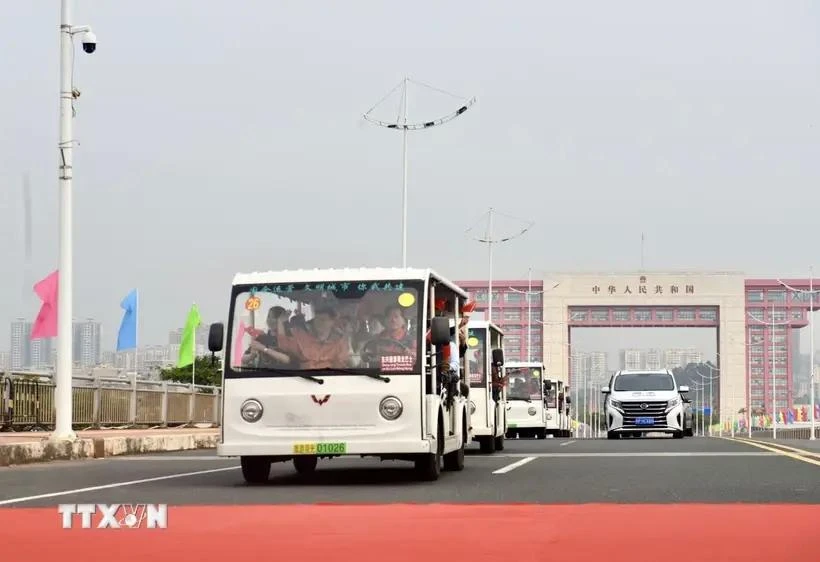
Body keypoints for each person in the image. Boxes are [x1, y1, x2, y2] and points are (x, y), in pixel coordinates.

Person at [276, 307, 352, 369]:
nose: (318, 322)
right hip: (303, 380)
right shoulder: (302, 337)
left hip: (329, 381)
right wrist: (280, 322)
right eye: (317, 319)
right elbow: (284, 345)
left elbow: (342, 366)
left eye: (323, 320)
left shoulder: (339, 342)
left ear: (332, 322)